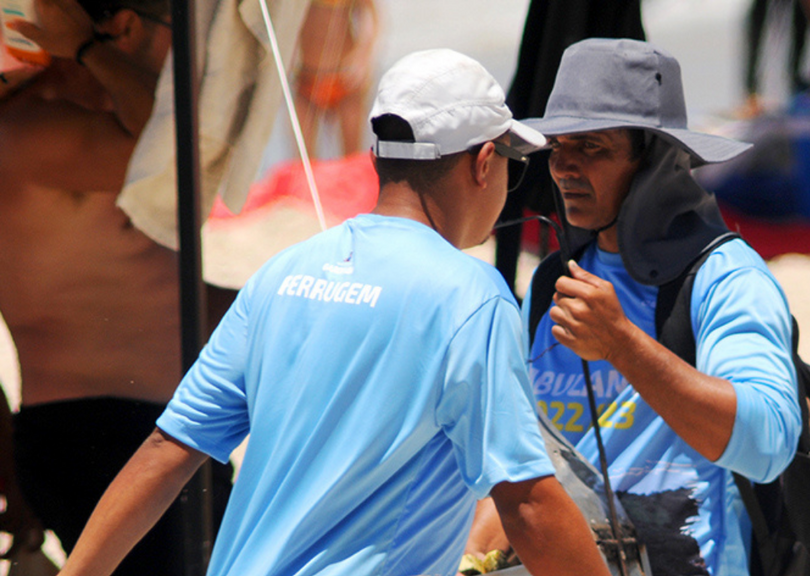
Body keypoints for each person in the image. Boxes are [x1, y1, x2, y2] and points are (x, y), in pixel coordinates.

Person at [53, 48, 614, 576]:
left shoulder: (282, 272)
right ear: (484, 162)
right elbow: (526, 500)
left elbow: (167, 451)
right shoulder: (471, 294)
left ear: (378, 157)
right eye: (513, 162)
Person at [466, 38, 802, 576]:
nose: (565, 167)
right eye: (558, 146)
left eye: (592, 147)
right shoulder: (557, 275)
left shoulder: (724, 276)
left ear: (656, 159)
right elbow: (524, 463)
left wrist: (622, 344)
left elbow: (767, 444)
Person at [0, 0, 234, 572]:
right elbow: (177, 142)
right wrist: (86, 47)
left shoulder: (87, 123)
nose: (191, 57)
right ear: (126, 28)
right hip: (100, 434)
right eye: (179, 32)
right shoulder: (28, 130)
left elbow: (152, 287)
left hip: (158, 426)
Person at [293, 0, 378, 158]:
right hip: (306, 77)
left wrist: (363, 56)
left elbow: (369, 14)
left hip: (344, 78)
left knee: (352, 158)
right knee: (304, 161)